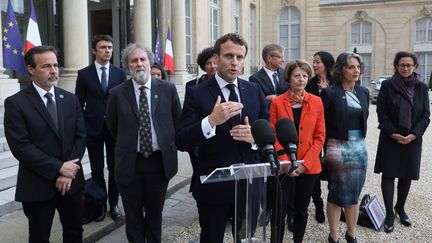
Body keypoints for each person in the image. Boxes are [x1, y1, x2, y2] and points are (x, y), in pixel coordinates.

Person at [175, 33, 268, 243]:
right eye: (229, 56)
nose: (235, 62)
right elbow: (181, 140)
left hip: (248, 184)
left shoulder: (254, 90)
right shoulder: (196, 93)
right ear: (216, 59)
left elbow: (268, 132)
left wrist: (255, 138)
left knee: (245, 238)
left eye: (240, 56)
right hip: (213, 187)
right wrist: (211, 121)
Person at [4, 45, 86, 243]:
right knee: (40, 237)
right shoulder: (16, 103)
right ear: (31, 69)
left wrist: (69, 170)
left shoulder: (69, 99)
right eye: (46, 66)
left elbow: (81, 136)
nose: (54, 71)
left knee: (75, 232)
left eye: (56, 65)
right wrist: (59, 168)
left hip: (71, 182)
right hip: (37, 184)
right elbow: (21, 146)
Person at [105, 43, 181, 243]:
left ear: (149, 62)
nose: (139, 64)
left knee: (155, 216)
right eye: (134, 61)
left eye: (143, 59)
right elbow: (112, 126)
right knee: (134, 217)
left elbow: (176, 121)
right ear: (127, 66)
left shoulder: (168, 89)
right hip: (130, 164)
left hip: (159, 163)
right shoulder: (116, 93)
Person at [269, 59, 325, 243]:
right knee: (280, 210)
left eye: (304, 76)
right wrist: (286, 163)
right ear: (289, 77)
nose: (301, 79)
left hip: (308, 167)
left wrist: (304, 164)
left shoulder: (316, 102)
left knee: (302, 209)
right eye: (296, 75)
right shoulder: (277, 102)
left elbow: (319, 136)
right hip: (284, 167)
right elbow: (274, 134)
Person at [374, 51, 430, 233]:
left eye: (409, 65)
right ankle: (389, 213)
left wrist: (415, 134)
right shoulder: (388, 85)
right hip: (391, 138)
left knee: (406, 174)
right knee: (389, 175)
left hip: (412, 139)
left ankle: (401, 207)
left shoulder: (421, 87)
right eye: (402, 65)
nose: (405, 68)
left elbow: (425, 115)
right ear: (396, 66)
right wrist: (393, 133)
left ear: (415, 67)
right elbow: (381, 112)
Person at [75, 34, 127, 222]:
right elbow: (78, 104)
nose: (107, 51)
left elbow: (124, 102)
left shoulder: (119, 73)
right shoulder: (84, 74)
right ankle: (99, 204)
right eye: (103, 47)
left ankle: (114, 203)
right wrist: (82, 127)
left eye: (110, 47)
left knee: (115, 168)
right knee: (97, 169)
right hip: (93, 129)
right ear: (94, 51)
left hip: (115, 129)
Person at [321, 53, 369, 243]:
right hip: (337, 148)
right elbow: (322, 124)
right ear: (341, 70)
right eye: (351, 67)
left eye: (358, 67)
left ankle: (351, 234)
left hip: (359, 149)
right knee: (336, 193)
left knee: (354, 193)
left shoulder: (363, 92)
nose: (356, 70)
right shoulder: (330, 92)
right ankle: (333, 236)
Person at [305, 51, 335, 224]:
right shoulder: (310, 84)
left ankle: (336, 206)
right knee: (313, 168)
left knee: (334, 170)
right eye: (313, 61)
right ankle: (317, 202)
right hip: (314, 131)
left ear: (326, 63)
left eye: (317, 62)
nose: (314, 65)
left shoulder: (337, 82)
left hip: (333, 132)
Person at [184, 46, 217, 192]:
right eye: (209, 63)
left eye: (215, 62)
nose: (213, 66)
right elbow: (188, 112)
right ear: (204, 65)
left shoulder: (225, 84)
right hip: (198, 135)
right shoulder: (193, 85)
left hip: (216, 134)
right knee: (199, 169)